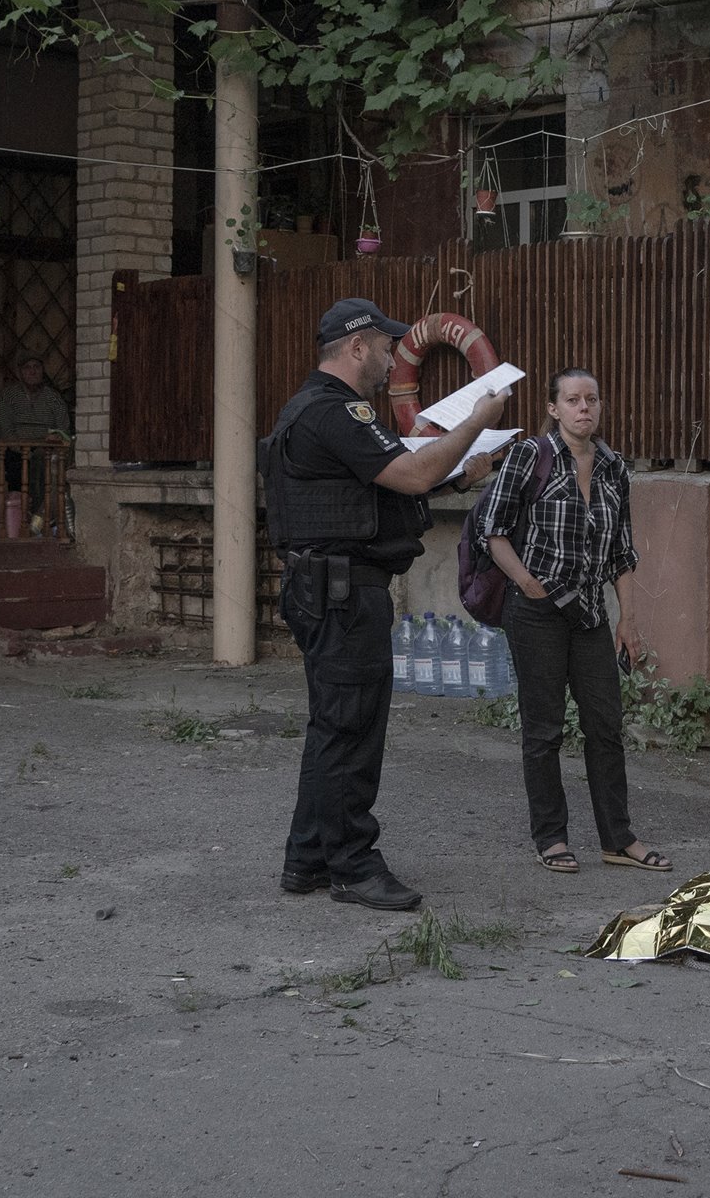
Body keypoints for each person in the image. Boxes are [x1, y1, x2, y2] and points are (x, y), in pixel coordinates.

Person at [265, 298, 508, 912]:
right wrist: (476, 420)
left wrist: (461, 471)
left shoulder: (320, 411)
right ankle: (352, 865)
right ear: (355, 347)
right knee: (351, 731)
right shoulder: (337, 412)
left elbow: (384, 486)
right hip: (341, 595)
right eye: (383, 346)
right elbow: (410, 476)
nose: (391, 357)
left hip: (331, 588)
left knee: (333, 726)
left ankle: (309, 858)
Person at [477, 367, 669, 877]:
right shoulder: (528, 457)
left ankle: (617, 838)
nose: (585, 407)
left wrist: (628, 617)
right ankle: (552, 837)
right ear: (553, 408)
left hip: (588, 613)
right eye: (573, 400)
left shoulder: (614, 467)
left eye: (592, 399)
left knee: (605, 725)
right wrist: (526, 583)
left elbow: (622, 553)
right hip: (537, 612)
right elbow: (492, 531)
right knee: (543, 730)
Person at [0, 353, 70, 530]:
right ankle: (21, 522)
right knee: (15, 468)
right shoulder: (9, 396)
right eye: (27, 367)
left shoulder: (53, 398)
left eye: (36, 367)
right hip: (16, 450)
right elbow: (5, 429)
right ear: (20, 372)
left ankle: (41, 519)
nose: (32, 371)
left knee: (46, 467)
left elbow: (64, 429)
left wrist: (56, 437)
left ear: (43, 371)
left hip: (46, 450)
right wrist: (22, 449)